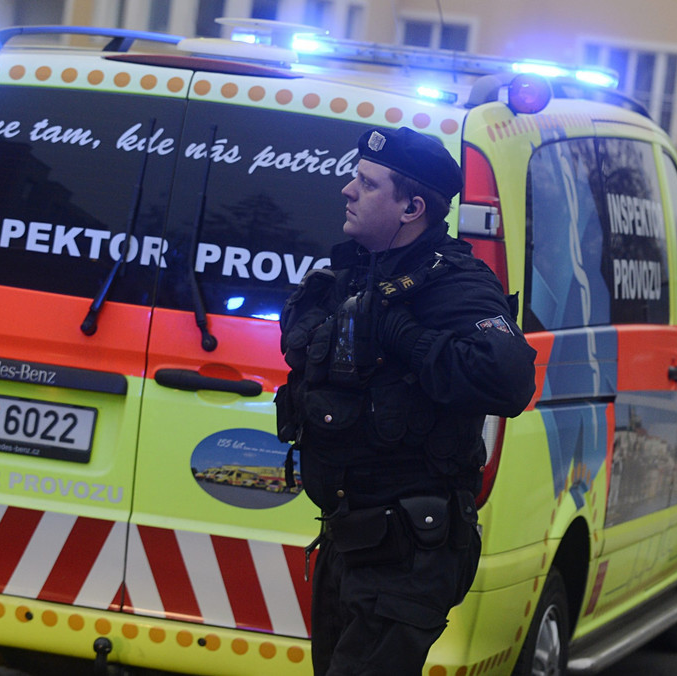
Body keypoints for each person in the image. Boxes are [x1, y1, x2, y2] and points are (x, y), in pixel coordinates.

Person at [276, 126, 537, 675]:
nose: (347, 190)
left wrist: (405, 336)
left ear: (411, 207)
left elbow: (509, 379)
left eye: (367, 184)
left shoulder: (454, 283)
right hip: (350, 540)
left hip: (409, 553)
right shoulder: (350, 273)